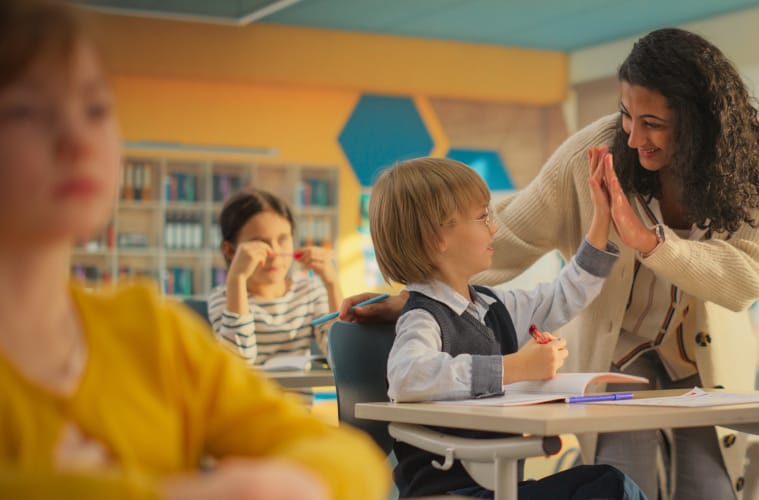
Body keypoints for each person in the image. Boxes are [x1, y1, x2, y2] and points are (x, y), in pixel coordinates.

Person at [343, 27, 759, 499]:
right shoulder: (596, 151)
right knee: (624, 484)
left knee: (711, 490)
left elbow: (746, 280)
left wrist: (649, 243)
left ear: (700, 121)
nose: (635, 136)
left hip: (702, 359)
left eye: (654, 123)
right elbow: (509, 234)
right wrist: (418, 297)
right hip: (615, 358)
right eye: (627, 115)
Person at [0, 1, 389, 499]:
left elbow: (354, 461)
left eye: (96, 109)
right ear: (230, 250)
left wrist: (278, 483)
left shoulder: (149, 332)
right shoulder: (177, 324)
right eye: (25, 112)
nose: (76, 139)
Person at [369, 157, 644, 499]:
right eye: (483, 216)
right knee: (610, 488)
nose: (494, 228)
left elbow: (563, 294)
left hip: (499, 486)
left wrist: (601, 219)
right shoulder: (422, 317)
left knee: (604, 483)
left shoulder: (492, 307)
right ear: (436, 238)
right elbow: (407, 377)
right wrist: (514, 368)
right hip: (450, 493)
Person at [208, 189, 341, 365]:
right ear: (230, 250)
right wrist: (236, 278)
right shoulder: (223, 298)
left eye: (283, 239)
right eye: (260, 243)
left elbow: (340, 358)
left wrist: (332, 284)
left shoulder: (309, 291)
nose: (274, 253)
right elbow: (238, 363)